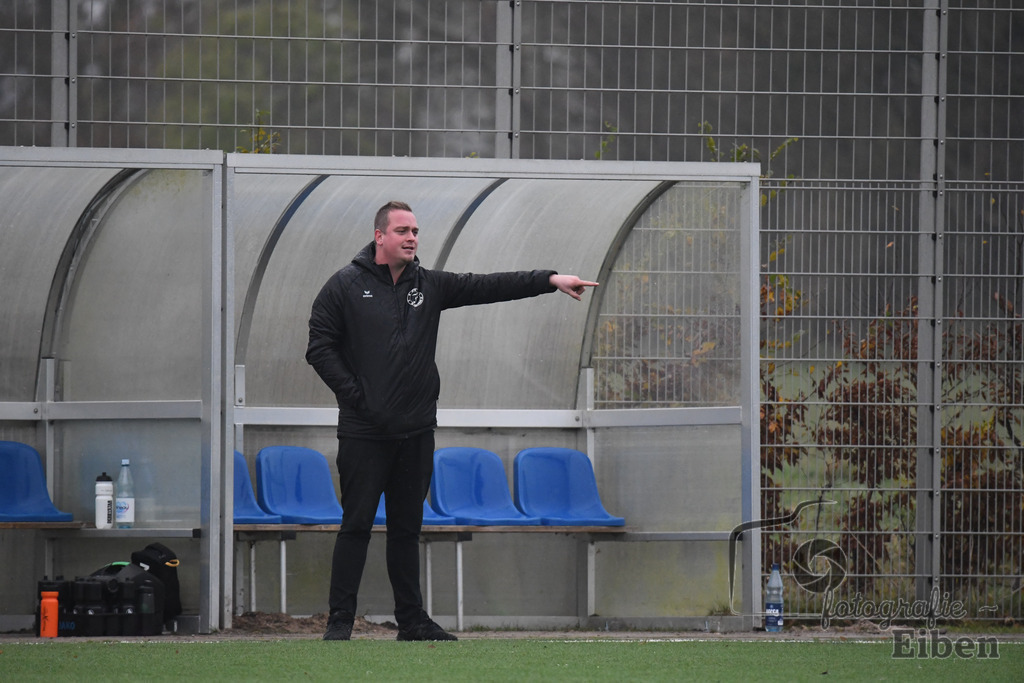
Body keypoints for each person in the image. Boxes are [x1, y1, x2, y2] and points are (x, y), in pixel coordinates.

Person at [305, 200, 597, 641]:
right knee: (356, 525)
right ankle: (340, 621)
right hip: (365, 432)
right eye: (402, 230)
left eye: (416, 231)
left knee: (407, 529)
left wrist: (550, 280)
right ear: (379, 236)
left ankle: (413, 622)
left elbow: (488, 285)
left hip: (416, 430)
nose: (412, 238)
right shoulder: (344, 286)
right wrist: (356, 395)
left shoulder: (431, 286)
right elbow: (319, 346)